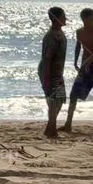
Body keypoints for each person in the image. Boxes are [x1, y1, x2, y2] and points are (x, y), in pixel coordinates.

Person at [38, 7, 68, 139]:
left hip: (58, 72)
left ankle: (50, 128)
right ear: (56, 19)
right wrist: (46, 79)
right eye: (63, 16)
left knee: (59, 99)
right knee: (54, 101)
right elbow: (47, 59)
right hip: (49, 71)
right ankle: (51, 130)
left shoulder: (59, 33)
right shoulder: (51, 36)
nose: (65, 18)